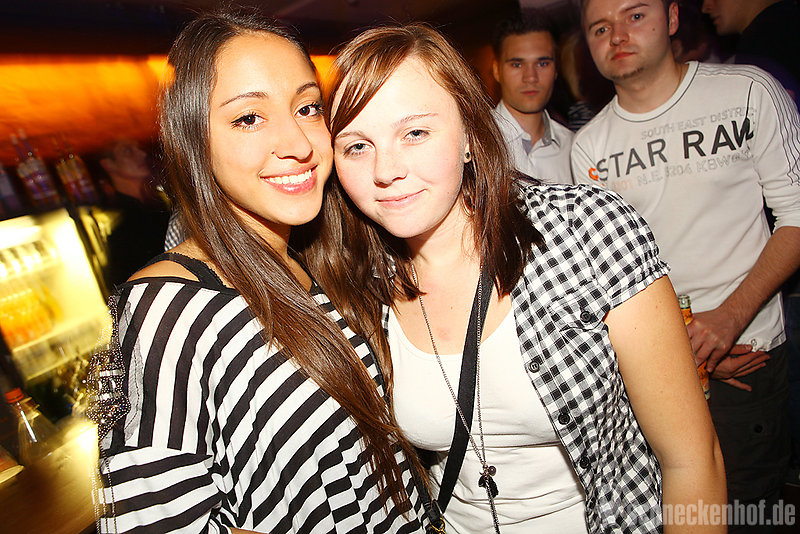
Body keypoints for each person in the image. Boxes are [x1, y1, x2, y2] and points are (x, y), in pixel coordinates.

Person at [306, 23, 726, 533]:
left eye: (415, 133)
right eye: (356, 146)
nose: (386, 170)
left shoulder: (586, 232)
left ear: (469, 134)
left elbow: (691, 459)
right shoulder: (353, 284)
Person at [89, 10, 427, 534]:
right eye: (249, 118)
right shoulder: (169, 308)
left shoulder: (311, 259)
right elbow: (148, 521)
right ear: (194, 140)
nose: (298, 144)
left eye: (307, 108)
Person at [570, 0, 800, 530]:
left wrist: (728, 321)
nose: (617, 35)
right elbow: (606, 278)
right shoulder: (589, 147)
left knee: (746, 514)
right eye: (600, 28)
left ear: (672, 18)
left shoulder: (746, 92)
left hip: (745, 364)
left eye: (635, 16)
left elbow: (795, 217)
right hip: (657, 377)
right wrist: (686, 357)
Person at [490, 14, 574, 184]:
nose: (531, 77)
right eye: (517, 64)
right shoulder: (475, 142)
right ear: (497, 70)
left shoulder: (574, 148)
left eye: (542, 64)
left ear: (556, 70)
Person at [98, 138, 171, 288]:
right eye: (127, 151)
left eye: (139, 147)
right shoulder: (121, 226)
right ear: (108, 164)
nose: (142, 154)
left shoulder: (159, 204)